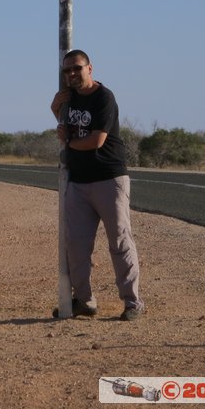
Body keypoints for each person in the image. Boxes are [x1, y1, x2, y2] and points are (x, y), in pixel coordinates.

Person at [50, 50, 146, 321]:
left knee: (119, 240)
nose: (71, 74)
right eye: (66, 70)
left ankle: (132, 301)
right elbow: (67, 130)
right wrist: (55, 110)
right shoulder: (68, 99)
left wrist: (67, 142)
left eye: (76, 69)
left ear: (89, 68)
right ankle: (84, 300)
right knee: (76, 245)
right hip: (78, 181)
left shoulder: (104, 97)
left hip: (108, 178)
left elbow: (95, 141)